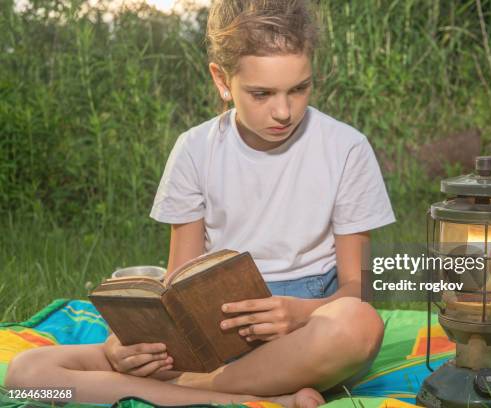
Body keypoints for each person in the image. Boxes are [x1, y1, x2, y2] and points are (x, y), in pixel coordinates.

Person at [5, 1, 395, 406]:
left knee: (359, 324)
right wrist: (124, 345)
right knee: (27, 376)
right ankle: (256, 397)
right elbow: (178, 281)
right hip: (213, 338)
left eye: (299, 88)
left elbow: (357, 289)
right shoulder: (194, 149)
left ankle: (186, 393)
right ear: (222, 80)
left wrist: (299, 314)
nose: (284, 111)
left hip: (305, 336)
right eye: (261, 93)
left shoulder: (346, 148)